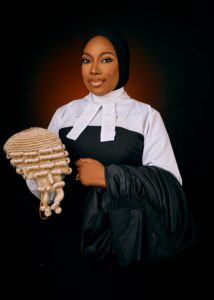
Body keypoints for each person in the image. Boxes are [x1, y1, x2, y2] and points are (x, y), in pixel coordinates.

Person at [26, 29, 197, 299]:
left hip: (124, 247)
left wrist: (108, 176)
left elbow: (169, 188)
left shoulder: (146, 116)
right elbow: (43, 192)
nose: (93, 70)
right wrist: (40, 178)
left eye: (105, 60)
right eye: (86, 60)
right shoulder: (64, 114)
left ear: (123, 64)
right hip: (67, 243)